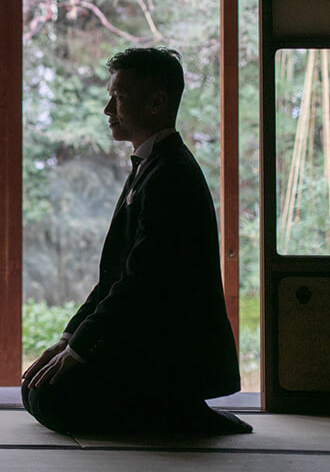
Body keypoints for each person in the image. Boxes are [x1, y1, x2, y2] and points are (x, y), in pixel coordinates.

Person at [22, 47, 251, 436]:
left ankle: (177, 411)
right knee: (36, 386)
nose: (108, 109)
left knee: (48, 397)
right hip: (144, 339)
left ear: (156, 103)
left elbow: (140, 281)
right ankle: (170, 410)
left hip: (167, 349)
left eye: (119, 98)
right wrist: (68, 340)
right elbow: (115, 276)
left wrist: (81, 350)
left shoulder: (171, 173)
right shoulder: (153, 165)